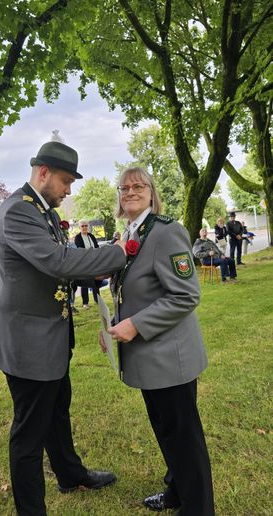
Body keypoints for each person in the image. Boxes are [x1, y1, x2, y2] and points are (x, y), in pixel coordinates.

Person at [0, 138, 126, 516]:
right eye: (66, 181)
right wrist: (121, 252)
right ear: (43, 173)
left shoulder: (42, 210)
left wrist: (92, 270)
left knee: (57, 409)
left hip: (49, 337)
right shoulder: (18, 210)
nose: (69, 190)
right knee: (29, 433)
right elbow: (58, 260)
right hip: (26, 343)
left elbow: (60, 268)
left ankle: (70, 474)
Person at [101, 167, 214, 515]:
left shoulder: (167, 232)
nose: (130, 191)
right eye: (124, 187)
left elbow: (185, 295)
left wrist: (136, 324)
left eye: (139, 185)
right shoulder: (131, 232)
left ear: (151, 193)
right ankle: (176, 492)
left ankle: (197, 509)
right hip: (149, 358)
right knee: (166, 432)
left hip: (171, 358)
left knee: (183, 439)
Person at [74, 220, 103, 308]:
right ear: (79, 227)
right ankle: (85, 303)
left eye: (86, 226)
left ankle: (97, 300)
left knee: (96, 281)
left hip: (95, 261)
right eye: (82, 226)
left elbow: (97, 247)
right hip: (84, 262)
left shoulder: (91, 236)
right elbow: (80, 249)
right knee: (85, 282)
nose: (84, 227)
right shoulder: (78, 237)